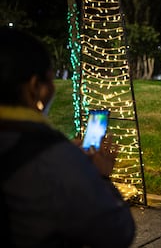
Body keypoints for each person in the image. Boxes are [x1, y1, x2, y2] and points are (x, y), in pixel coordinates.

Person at [0, 27, 136, 247]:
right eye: (51, 80)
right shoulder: (55, 159)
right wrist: (100, 175)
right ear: (36, 87)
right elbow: (118, 230)